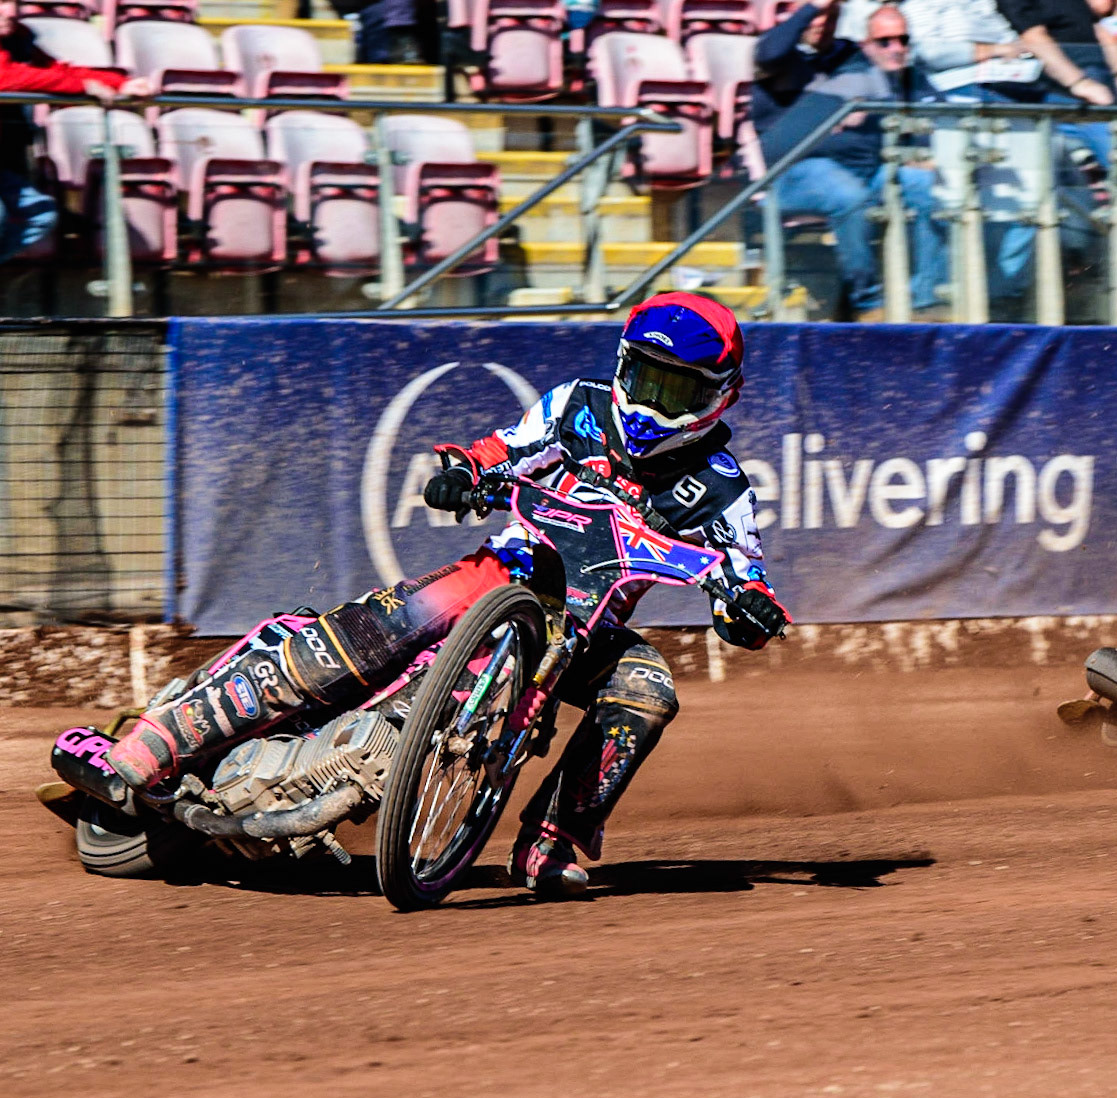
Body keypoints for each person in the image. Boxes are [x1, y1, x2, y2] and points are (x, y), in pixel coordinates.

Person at [104, 293, 791, 897]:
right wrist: (462, 470)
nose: (650, 404)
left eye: (674, 390)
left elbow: (745, 581)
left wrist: (748, 610)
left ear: (716, 395)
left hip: (589, 628)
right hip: (505, 574)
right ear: (622, 365)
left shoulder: (723, 488)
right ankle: (165, 735)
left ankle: (551, 839)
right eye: (644, 379)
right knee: (368, 634)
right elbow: (501, 448)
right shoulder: (577, 405)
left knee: (648, 689)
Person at [753, 0, 947, 320]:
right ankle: (868, 303)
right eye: (816, 15)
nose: (822, 23)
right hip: (796, 170)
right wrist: (811, 9)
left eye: (830, 15)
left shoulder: (851, 56)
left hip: (867, 166)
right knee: (850, 197)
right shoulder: (784, 59)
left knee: (929, 189)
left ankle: (925, 300)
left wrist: (922, 153)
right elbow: (767, 53)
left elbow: (924, 108)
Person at [0, 0, 152, 263]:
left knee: (40, 215)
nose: (10, 12)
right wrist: (82, 86)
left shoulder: (18, 38)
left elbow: (54, 70)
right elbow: (6, 77)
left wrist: (121, 83)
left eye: (14, 3)